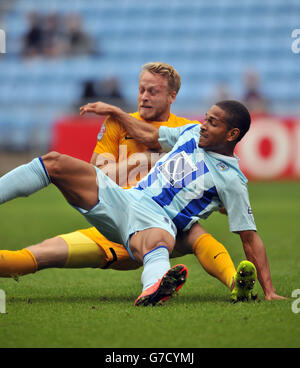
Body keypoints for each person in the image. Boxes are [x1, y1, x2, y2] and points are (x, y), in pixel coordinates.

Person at [0, 97, 285, 305]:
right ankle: (161, 284)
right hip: (126, 200)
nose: (203, 126)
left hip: (158, 222)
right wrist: (114, 111)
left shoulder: (232, 180)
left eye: (212, 123)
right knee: (54, 162)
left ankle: (154, 290)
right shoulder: (188, 133)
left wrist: (269, 289)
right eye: (205, 118)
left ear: (232, 134)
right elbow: (148, 134)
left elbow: (249, 237)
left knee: (161, 240)